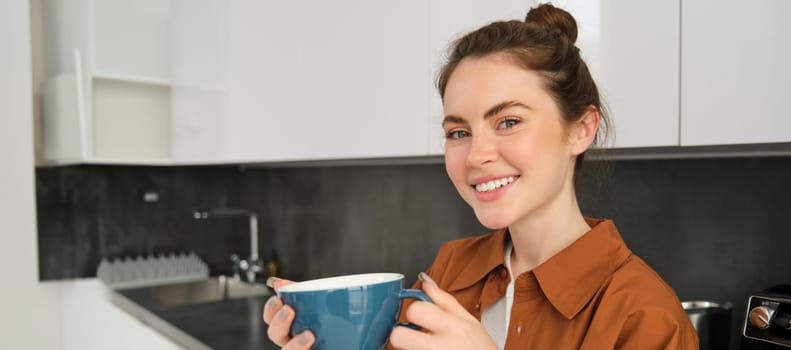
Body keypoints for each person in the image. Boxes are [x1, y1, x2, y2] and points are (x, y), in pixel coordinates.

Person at [263, 3, 698, 349]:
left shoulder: (645, 317)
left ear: (580, 129)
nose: (477, 155)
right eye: (458, 132)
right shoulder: (451, 268)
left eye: (508, 121)